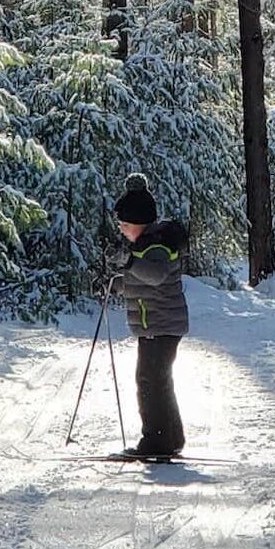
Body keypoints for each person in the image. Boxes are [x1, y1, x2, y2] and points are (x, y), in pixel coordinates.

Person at [109, 173, 188, 457]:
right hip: (157, 325)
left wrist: (128, 261)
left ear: (139, 223)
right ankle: (171, 438)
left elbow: (155, 276)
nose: (121, 230)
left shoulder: (155, 246)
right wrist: (115, 285)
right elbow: (141, 282)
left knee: (149, 382)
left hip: (160, 325)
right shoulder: (146, 247)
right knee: (159, 381)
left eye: (125, 225)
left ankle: (156, 441)